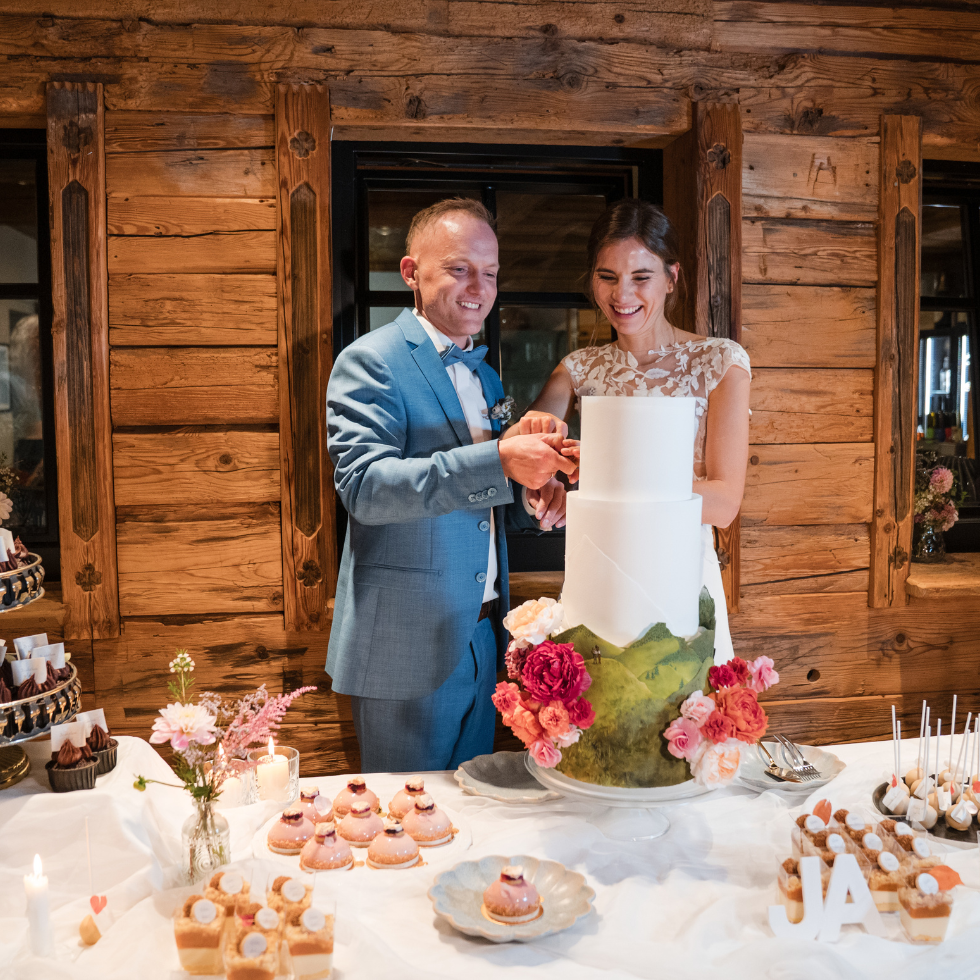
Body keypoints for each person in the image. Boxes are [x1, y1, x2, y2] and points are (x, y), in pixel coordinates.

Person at [326, 198, 576, 772]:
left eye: (490, 273)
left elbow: (486, 496)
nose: (479, 288)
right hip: (403, 644)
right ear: (411, 273)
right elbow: (365, 487)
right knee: (404, 816)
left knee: (472, 809)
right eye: (460, 269)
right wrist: (499, 460)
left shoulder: (486, 375)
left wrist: (532, 495)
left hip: (484, 636)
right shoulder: (371, 360)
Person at [502, 199, 750, 661]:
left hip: (681, 569)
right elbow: (523, 448)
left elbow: (723, 504)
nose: (622, 295)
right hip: (600, 567)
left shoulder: (720, 362)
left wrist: (600, 476)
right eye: (608, 277)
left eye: (641, 277)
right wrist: (542, 481)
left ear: (672, 277)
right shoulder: (577, 369)